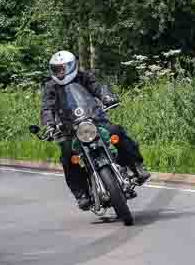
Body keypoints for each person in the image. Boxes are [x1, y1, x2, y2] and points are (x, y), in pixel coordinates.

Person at [40, 50, 151, 210]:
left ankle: (135, 165)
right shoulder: (51, 86)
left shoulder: (84, 76)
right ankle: (82, 194)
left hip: (94, 120)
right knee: (68, 155)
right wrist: (49, 124)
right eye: (56, 69)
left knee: (115, 132)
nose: (60, 72)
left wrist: (106, 97)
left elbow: (97, 88)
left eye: (63, 68)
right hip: (69, 129)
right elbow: (47, 107)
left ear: (72, 66)